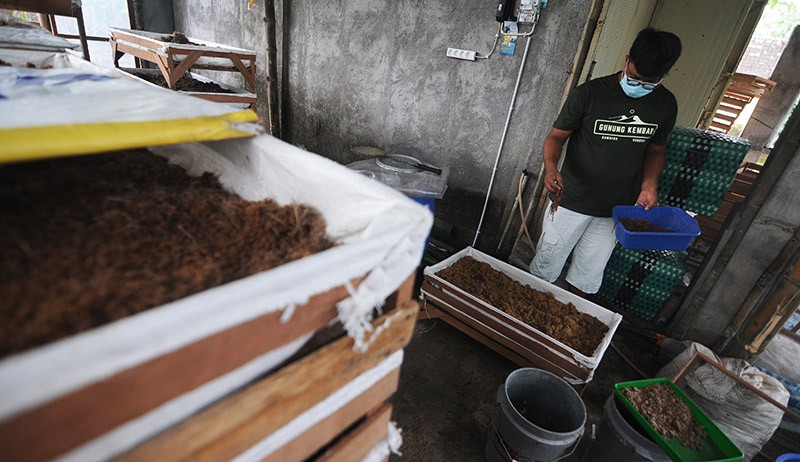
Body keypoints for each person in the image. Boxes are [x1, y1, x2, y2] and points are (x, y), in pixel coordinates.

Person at [529, 27, 682, 298]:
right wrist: (551, 168)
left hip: (616, 209)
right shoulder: (589, 93)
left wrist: (649, 185)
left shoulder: (665, 104)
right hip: (572, 200)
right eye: (635, 78)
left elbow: (656, 151)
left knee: (587, 277)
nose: (640, 86)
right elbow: (555, 137)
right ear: (627, 60)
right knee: (545, 268)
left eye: (649, 83)